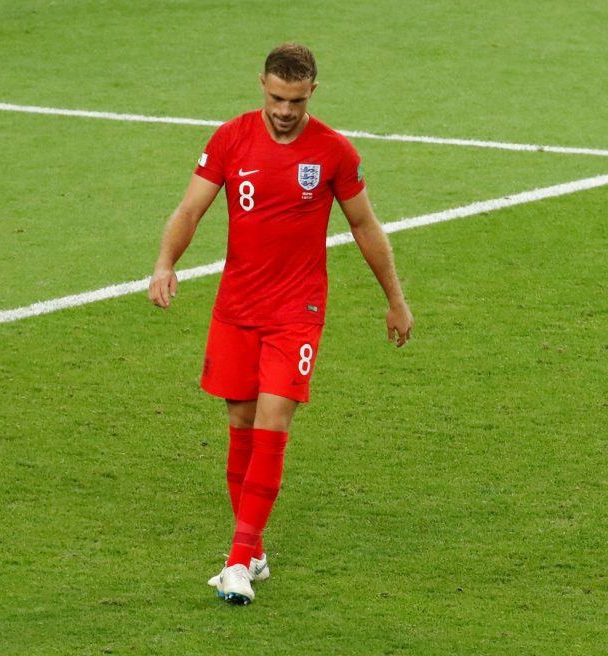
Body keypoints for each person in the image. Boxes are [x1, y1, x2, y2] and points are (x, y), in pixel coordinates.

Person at [148, 42, 414, 605]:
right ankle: (256, 549)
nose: (285, 110)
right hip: (236, 308)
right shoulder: (230, 138)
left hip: (297, 311)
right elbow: (191, 207)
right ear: (261, 87)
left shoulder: (334, 152)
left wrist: (395, 298)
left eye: (295, 100)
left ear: (312, 91)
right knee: (241, 422)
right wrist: (165, 264)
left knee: (273, 420)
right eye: (276, 97)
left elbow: (365, 226)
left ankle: (238, 561)